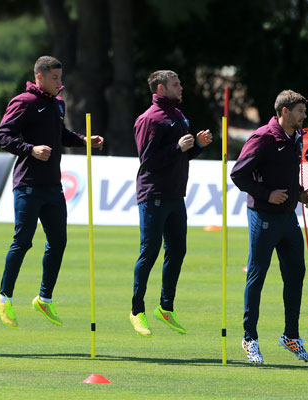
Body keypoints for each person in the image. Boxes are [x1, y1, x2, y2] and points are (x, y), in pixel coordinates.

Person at [0, 55, 104, 329]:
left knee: (59, 242)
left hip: (53, 186)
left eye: (60, 77)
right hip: (28, 185)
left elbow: (61, 135)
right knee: (23, 241)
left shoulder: (57, 104)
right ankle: (4, 297)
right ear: (40, 77)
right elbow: (2, 136)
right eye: (55, 78)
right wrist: (30, 149)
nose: (60, 82)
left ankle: (44, 298)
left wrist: (83, 141)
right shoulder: (23, 102)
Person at [230, 90, 308, 364]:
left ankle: (291, 336)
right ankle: (249, 338)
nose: (304, 115)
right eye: (300, 110)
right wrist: (267, 194)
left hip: (288, 217)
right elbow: (238, 173)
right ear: (285, 111)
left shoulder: (296, 138)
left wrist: (299, 192)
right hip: (263, 215)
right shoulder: (263, 137)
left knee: (296, 274)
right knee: (257, 276)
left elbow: (287, 173)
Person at [130, 70, 213, 337]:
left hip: (176, 194)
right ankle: (136, 310)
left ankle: (165, 307)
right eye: (176, 84)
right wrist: (178, 147)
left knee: (177, 251)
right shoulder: (149, 119)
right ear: (161, 87)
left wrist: (196, 146)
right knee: (150, 252)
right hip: (153, 194)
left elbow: (181, 157)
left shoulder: (178, 116)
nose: (182, 87)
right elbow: (149, 161)